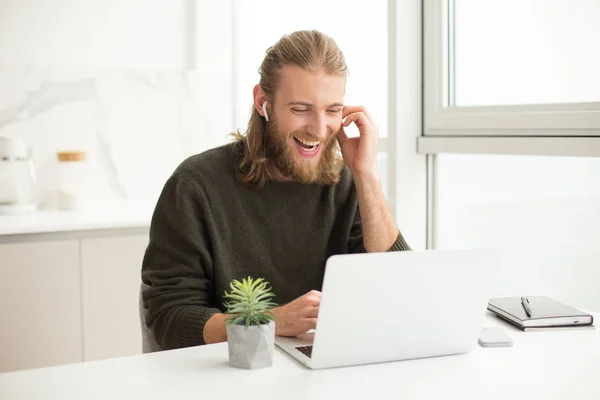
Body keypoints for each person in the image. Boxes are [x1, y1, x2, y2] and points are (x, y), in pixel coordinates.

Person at [141, 30, 410, 350]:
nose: (319, 129)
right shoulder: (194, 186)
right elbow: (170, 319)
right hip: (228, 375)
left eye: (332, 110)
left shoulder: (346, 183)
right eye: (300, 109)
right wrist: (267, 323)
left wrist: (367, 175)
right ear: (262, 102)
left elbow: (399, 290)